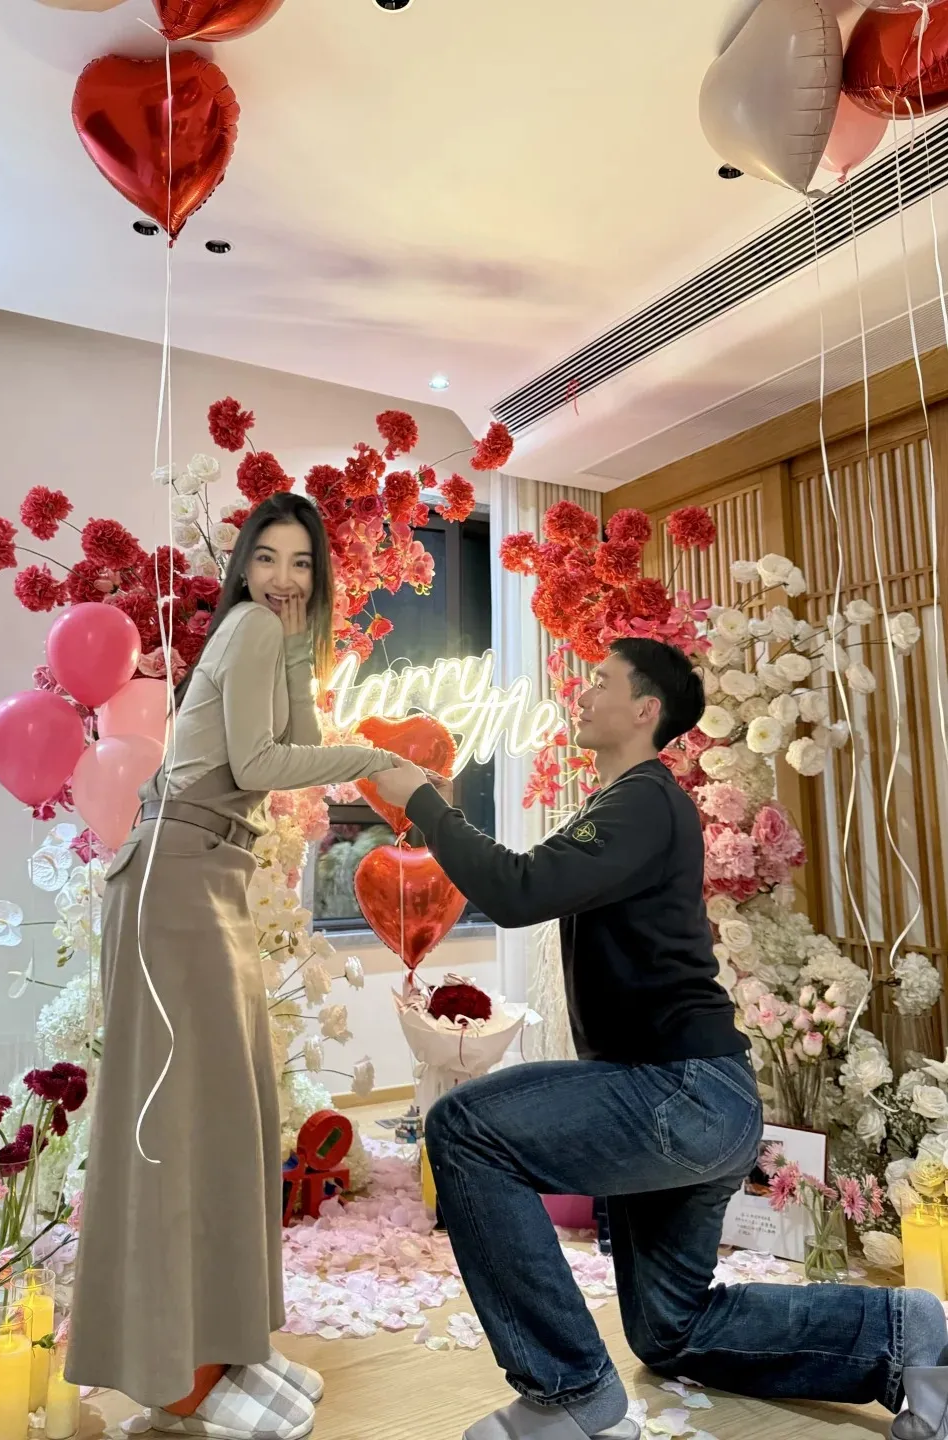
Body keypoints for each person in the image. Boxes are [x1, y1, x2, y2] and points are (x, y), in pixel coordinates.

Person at [372, 637, 948, 1440]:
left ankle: (568, 1394)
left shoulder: (645, 800)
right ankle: (904, 1333)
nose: (582, 694)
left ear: (646, 709)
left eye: (600, 682)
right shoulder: (621, 806)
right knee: (671, 1331)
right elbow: (523, 876)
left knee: (464, 1128)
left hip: (680, 1092)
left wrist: (426, 804)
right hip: (690, 1097)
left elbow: (516, 890)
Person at [68, 493, 398, 1440]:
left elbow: (287, 743)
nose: (283, 579)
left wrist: (299, 656)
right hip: (178, 877)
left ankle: (227, 1344)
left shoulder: (269, 637)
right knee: (183, 1119)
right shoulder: (248, 626)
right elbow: (258, 765)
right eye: (268, 558)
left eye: (302, 563)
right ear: (244, 566)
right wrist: (377, 756)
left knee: (223, 1114)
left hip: (199, 874)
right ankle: (179, 1376)